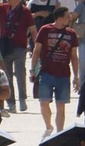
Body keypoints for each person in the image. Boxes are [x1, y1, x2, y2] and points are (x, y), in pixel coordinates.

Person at [32, 7, 80, 137]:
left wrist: (76, 76)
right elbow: (37, 50)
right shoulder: (45, 30)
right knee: (44, 102)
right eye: (67, 17)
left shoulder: (71, 34)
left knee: (61, 105)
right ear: (59, 18)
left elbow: (74, 56)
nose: (69, 19)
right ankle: (48, 126)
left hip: (63, 73)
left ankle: (59, 132)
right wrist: (33, 69)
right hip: (46, 72)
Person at [0, 0, 33, 112]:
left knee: (20, 73)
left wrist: (35, 46)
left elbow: (33, 29)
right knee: (7, 76)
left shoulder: (25, 11)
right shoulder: (3, 8)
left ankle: (22, 98)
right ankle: (11, 103)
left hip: (20, 47)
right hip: (5, 47)